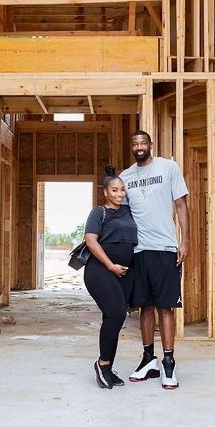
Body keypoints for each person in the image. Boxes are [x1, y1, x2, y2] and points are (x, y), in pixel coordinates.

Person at [120, 130, 189, 390]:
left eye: (143, 143)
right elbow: (122, 213)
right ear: (132, 147)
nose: (139, 147)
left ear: (150, 145)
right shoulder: (126, 177)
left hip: (164, 247)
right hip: (138, 251)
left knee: (165, 307)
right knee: (144, 307)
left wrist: (185, 241)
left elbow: (181, 206)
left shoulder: (168, 168)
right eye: (135, 143)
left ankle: (168, 362)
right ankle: (148, 358)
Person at [83, 166, 138, 389]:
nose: (119, 194)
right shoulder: (98, 213)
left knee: (115, 317)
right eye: (114, 190)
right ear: (105, 192)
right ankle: (102, 363)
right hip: (100, 269)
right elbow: (91, 241)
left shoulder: (129, 212)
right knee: (115, 312)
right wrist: (111, 266)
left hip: (122, 272)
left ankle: (107, 367)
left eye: (122, 190)